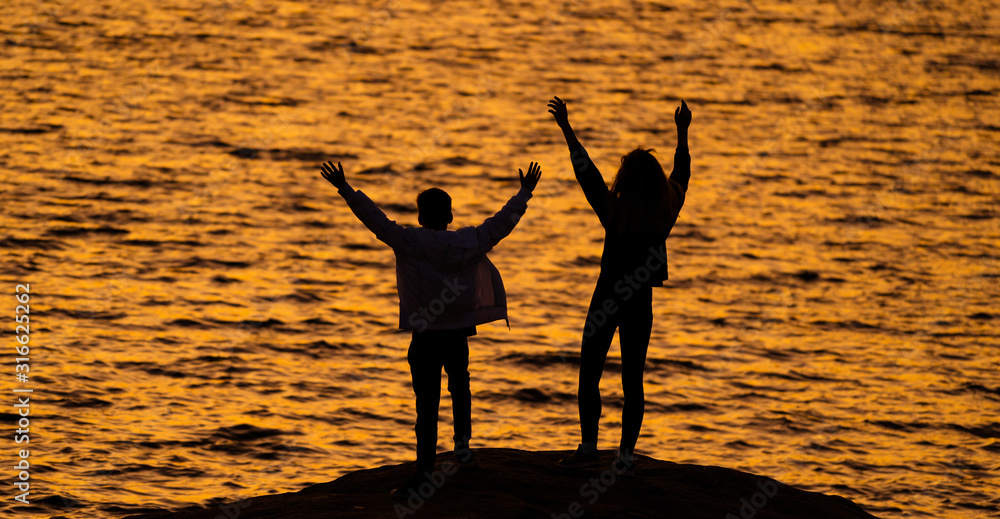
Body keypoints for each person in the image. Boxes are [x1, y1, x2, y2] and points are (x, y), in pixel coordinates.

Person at [319, 160, 542, 496]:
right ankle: (463, 448)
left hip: (424, 336)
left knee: (426, 404)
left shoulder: (408, 242)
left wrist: (345, 188)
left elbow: (375, 221)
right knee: (460, 386)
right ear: (449, 217)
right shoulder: (468, 242)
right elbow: (500, 225)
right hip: (456, 333)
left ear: (421, 217)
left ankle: (425, 471)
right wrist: (524, 192)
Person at [546, 96, 691, 474]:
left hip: (607, 296)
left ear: (626, 179)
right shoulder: (666, 210)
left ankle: (589, 447)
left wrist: (566, 128)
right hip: (639, 301)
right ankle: (624, 456)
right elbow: (683, 174)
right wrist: (682, 132)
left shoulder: (615, 212)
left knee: (589, 371)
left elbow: (587, 173)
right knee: (633, 380)